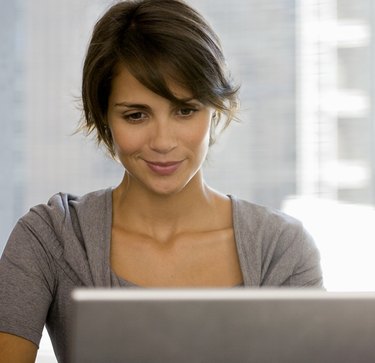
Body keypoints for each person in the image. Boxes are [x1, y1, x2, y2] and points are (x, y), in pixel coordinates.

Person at [0, 0, 323, 362]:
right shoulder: (52, 238)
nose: (163, 142)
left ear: (215, 110)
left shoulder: (278, 247)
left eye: (185, 111)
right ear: (103, 117)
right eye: (136, 115)